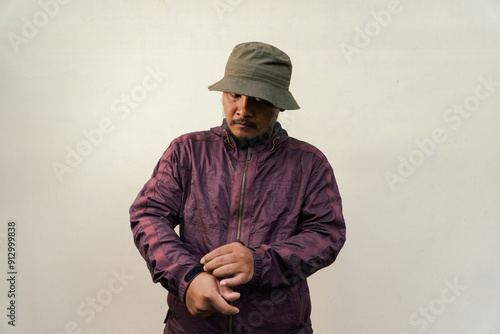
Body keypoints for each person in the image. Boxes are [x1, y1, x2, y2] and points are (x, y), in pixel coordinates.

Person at [130, 41, 346, 334]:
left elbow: (327, 234)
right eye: (234, 95)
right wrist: (188, 277)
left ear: (279, 104)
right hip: (193, 328)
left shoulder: (309, 163)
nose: (243, 109)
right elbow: (149, 215)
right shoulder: (187, 151)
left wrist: (259, 263)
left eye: (259, 99)